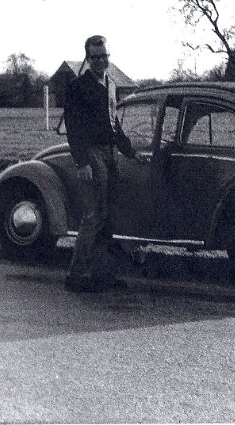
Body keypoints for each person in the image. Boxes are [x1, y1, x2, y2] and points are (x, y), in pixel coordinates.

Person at [63, 35, 146, 292]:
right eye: (95, 57)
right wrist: (82, 163)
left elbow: (114, 124)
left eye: (105, 56)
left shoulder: (110, 84)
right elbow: (73, 127)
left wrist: (131, 152)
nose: (101, 61)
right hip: (92, 154)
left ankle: (102, 273)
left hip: (110, 153)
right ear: (88, 59)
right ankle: (77, 275)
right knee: (94, 215)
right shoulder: (78, 87)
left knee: (107, 217)